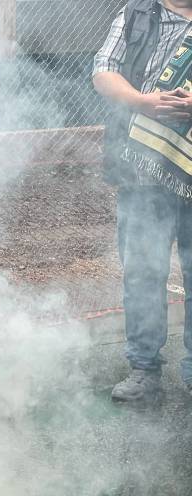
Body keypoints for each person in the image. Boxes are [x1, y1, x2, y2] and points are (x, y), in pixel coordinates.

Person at [93, 0, 192, 403]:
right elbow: (103, 69)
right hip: (142, 168)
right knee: (143, 272)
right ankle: (144, 370)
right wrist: (143, 102)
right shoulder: (137, 13)